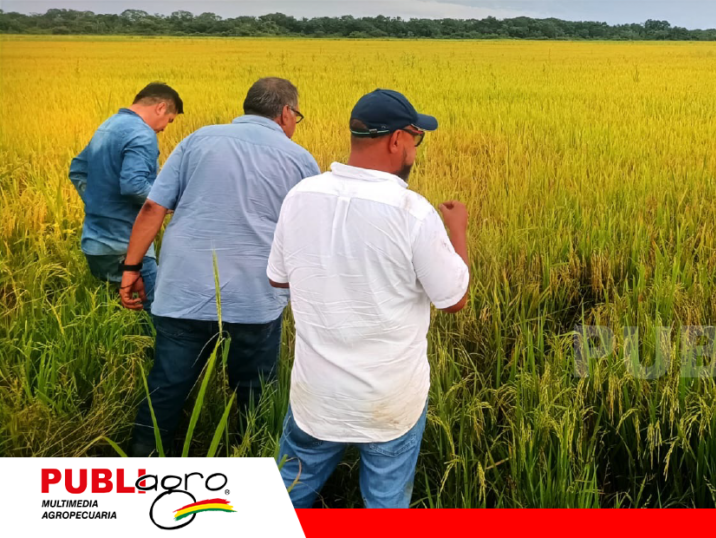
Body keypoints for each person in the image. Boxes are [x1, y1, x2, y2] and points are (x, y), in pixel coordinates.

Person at [269, 89, 470, 508]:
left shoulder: (300, 196)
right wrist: (458, 232)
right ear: (397, 140)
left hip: (316, 397)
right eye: (416, 138)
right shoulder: (412, 211)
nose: (416, 149)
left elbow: (279, 280)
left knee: (286, 497)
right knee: (385, 504)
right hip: (388, 402)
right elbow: (453, 299)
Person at [119, 77, 320, 457]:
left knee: (166, 389)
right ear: (285, 113)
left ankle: (142, 465)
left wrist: (131, 268)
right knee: (255, 394)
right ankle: (250, 460)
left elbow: (153, 207)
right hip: (256, 299)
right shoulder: (300, 159)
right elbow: (310, 234)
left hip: (183, 292)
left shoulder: (197, 140)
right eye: (297, 116)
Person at [69, 82, 182, 311]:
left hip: (95, 243)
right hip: (127, 246)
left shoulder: (108, 126)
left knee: (119, 312)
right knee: (159, 314)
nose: (164, 129)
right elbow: (134, 186)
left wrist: (100, 203)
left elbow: (78, 171)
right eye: (169, 120)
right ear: (161, 107)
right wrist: (168, 202)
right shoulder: (143, 133)